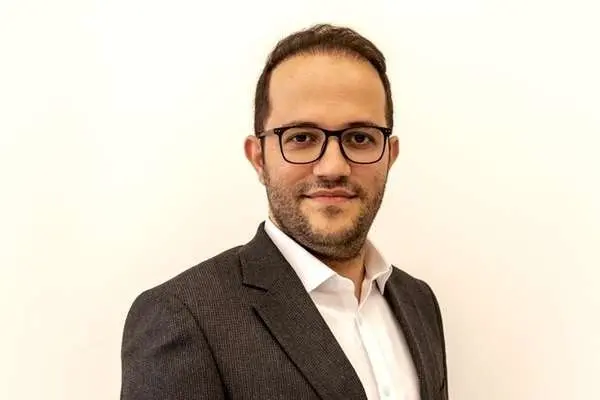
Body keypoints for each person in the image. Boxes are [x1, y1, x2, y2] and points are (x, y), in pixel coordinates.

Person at [120, 23, 448, 400]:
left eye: (360, 138)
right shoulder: (185, 316)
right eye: (301, 138)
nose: (333, 167)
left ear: (389, 155)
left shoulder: (419, 302)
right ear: (258, 157)